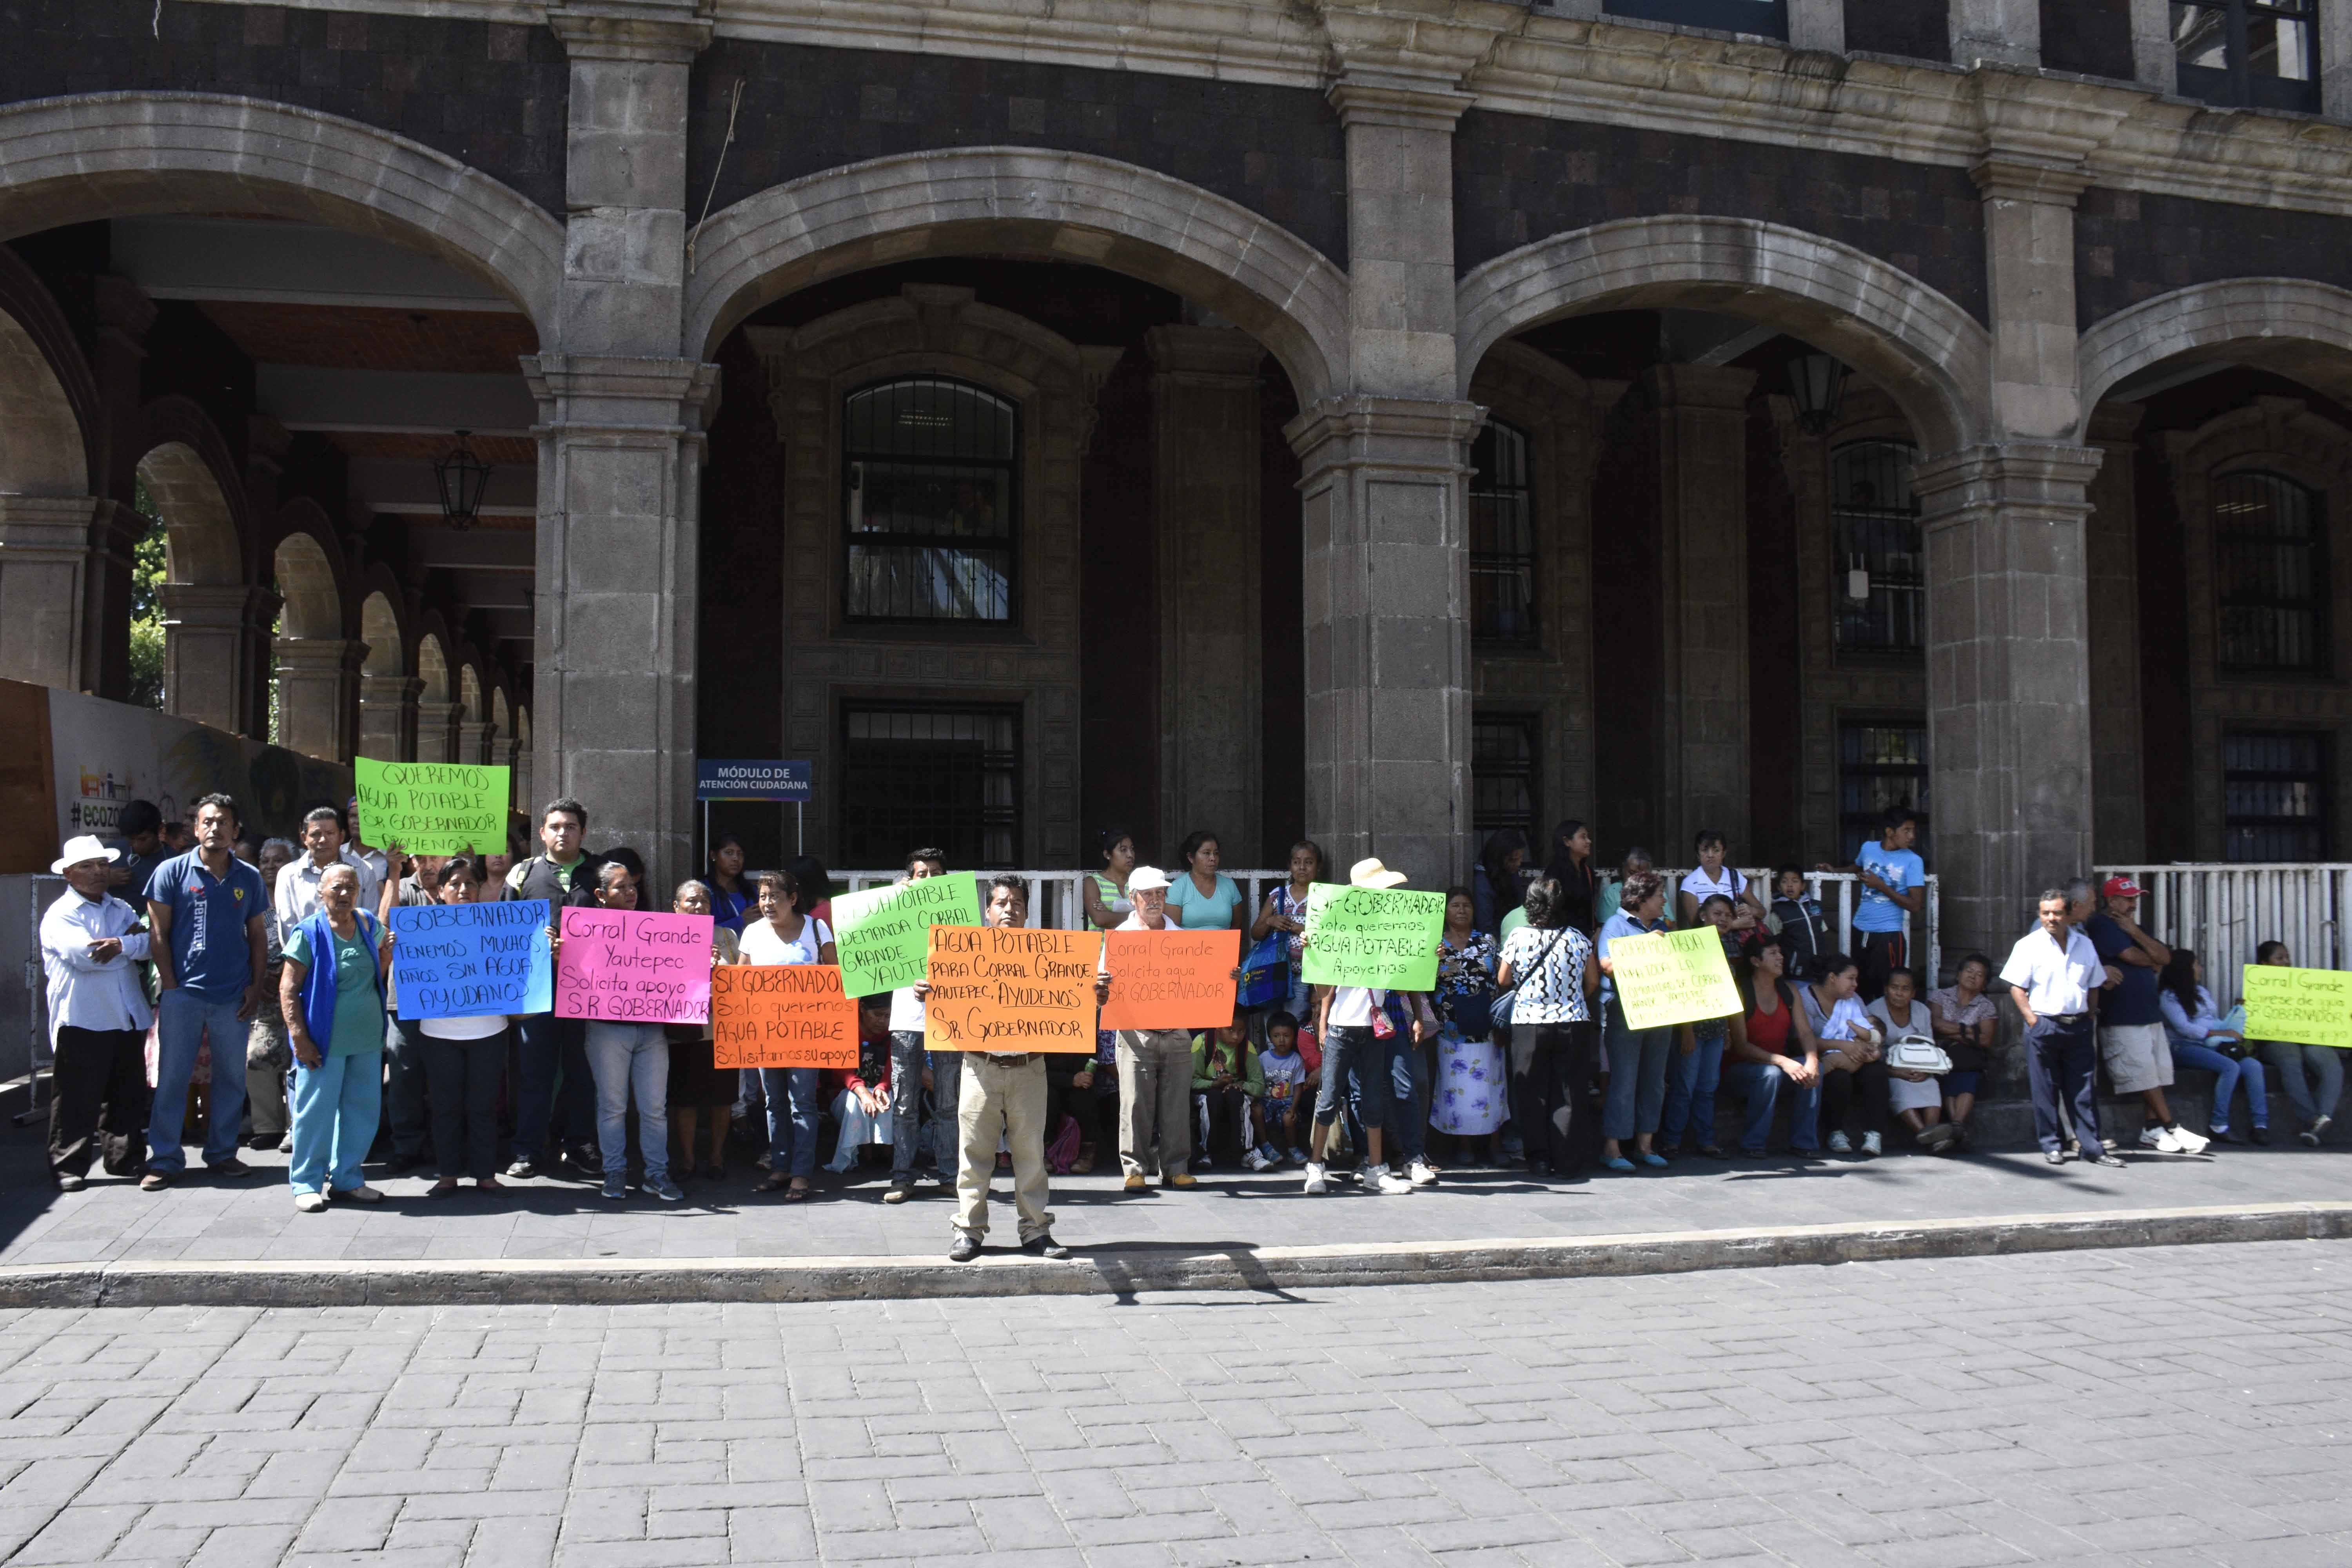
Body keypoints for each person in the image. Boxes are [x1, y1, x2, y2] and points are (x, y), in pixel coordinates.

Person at [946, 875, 1076, 1261]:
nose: (1009, 910)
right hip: (980, 1065)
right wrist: (928, 992)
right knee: (973, 1152)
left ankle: (1036, 1231)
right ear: (988, 911)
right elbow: (945, 998)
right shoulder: (962, 954)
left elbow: (1070, 1002)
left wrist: (1093, 995)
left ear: (1027, 911)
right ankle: (968, 1231)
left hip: (1029, 1067)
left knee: (1031, 1155)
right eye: (1001, 903)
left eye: (1017, 904)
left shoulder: (1048, 957)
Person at [142, 793, 268, 1191]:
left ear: (235, 830)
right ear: (196, 828)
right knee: (173, 1078)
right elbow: (158, 933)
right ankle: (165, 1159)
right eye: (208, 821)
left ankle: (223, 1152)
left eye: (223, 822)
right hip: (184, 995)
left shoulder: (249, 877)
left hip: (233, 995)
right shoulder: (170, 872)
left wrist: (255, 986)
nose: (215, 828)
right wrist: (171, 985)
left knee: (231, 1078)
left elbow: (258, 935)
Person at [1302, 858, 1434, 1198]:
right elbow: (1323, 990)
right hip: (1342, 1028)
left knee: (1373, 1099)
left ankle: (1376, 1169)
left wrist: (1426, 956)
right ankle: (1315, 1167)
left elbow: (1402, 988)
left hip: (1374, 1030)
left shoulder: (1390, 931)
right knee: (1330, 1097)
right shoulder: (1340, 931)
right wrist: (1314, 953)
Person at [40, 835, 154, 1190]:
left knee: (126, 1093)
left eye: (103, 865)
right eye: (87, 866)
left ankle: (125, 1159)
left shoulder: (120, 907)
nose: (98, 872)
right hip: (82, 1017)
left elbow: (151, 945)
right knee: (76, 1096)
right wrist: (129, 944)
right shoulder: (61, 914)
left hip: (125, 1014)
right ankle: (68, 1166)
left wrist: (121, 944)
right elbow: (88, 957)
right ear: (69, 874)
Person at [279, 862, 391, 1212]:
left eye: (350, 888)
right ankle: (306, 1183)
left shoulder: (368, 924)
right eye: (336, 888)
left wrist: (387, 953)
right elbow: (288, 989)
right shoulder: (308, 933)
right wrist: (299, 1038)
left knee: (362, 1112)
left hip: (367, 1039)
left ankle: (347, 1179)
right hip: (323, 1043)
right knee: (315, 1113)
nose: (344, 894)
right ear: (321, 892)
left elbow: (376, 971)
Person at [503, 798, 604, 1180]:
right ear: (542, 832)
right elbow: (502, 933)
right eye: (556, 827)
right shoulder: (522, 874)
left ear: (584, 832)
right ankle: (528, 1149)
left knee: (583, 1072)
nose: (563, 833)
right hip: (536, 993)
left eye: (571, 827)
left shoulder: (603, 873)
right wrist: (534, 943)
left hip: (590, 993)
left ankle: (579, 1144)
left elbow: (626, 924)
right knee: (534, 1073)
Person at [575, 859, 682, 1202]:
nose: (630, 892)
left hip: (651, 1031)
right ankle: (615, 1172)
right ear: (601, 895)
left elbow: (675, 972)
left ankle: (657, 1174)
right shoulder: (585, 931)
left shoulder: (655, 929)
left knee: (654, 1108)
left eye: (632, 886)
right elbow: (577, 975)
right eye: (620, 887)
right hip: (607, 1031)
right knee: (613, 1107)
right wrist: (562, 955)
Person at [404, 857, 511, 1196]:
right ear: (440, 891)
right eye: (455, 884)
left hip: (489, 1031)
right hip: (438, 1034)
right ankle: (448, 1174)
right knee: (445, 1107)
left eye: (470, 884)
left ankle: (485, 1174)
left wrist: (541, 941)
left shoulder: (499, 926)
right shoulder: (421, 929)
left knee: (484, 1107)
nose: (463, 890)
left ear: (480, 889)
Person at [2082, 875, 2209, 1154]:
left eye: (2135, 899)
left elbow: (2166, 958)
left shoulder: (2135, 927)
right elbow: (2133, 956)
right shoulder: (2101, 925)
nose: (2133, 904)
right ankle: (2172, 1126)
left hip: (2149, 1014)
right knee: (2144, 1075)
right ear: (2112, 900)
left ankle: (2152, 1129)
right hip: (2123, 1015)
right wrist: (2149, 955)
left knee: (2158, 1074)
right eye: (2128, 899)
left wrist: (2136, 933)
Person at [2003, 887, 2125, 1168]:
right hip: (2044, 1024)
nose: (2051, 919)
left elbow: (2094, 984)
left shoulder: (2085, 945)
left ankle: (2092, 1148)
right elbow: (2016, 987)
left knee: (2083, 1091)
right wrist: (2032, 1020)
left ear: (2068, 914)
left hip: (2079, 1026)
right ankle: (2052, 1145)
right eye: (2046, 913)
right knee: (2045, 1090)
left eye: (2057, 913)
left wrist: (2091, 1015)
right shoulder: (2028, 945)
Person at [739, 867, 834, 1200]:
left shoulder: (817, 928)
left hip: (807, 1033)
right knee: (774, 1102)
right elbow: (741, 981)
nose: (767, 903)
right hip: (766, 1033)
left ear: (793, 899)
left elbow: (835, 977)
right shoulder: (752, 932)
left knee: (803, 1103)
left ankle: (801, 1174)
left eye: (775, 896)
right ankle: (780, 1168)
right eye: (763, 896)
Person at [1495, 876, 1599, 1177]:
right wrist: (1571, 999)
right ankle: (1567, 1161)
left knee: (1532, 1093)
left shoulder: (1518, 937)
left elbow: (1503, 979)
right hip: (1573, 1021)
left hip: (1529, 1023)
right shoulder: (1578, 938)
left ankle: (1539, 1160)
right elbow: (1592, 982)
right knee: (1569, 1093)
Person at [1107, 865, 1201, 1191]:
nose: (1155, 900)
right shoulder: (1119, 939)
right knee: (1135, 1104)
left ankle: (1176, 1168)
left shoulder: (1182, 938)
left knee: (1177, 1104)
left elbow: (1199, 982)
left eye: (1160, 893)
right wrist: (1102, 984)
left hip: (1176, 1031)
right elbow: (1103, 986)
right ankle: (1134, 1170)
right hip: (1135, 1033)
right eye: (1147, 894)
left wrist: (1224, 975)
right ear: (1133, 898)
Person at [883, 848, 955, 1203]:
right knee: (904, 1104)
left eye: (936, 873)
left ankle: (951, 1176)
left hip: (949, 1020)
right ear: (909, 879)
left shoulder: (958, 915)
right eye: (921, 873)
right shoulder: (894, 911)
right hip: (906, 1021)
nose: (928, 879)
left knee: (950, 1104)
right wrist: (895, 902)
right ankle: (902, 1178)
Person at [1596, 869, 1674, 1171]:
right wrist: (1648, 946)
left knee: (1654, 1081)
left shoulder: (1662, 926)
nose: (1664, 901)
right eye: (1660, 896)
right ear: (1641, 900)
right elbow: (1607, 966)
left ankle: (1645, 1146)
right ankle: (1612, 1149)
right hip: (1624, 1013)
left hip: (1661, 1010)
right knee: (1624, 1082)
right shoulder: (1615, 925)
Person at [1659, 894, 1745, 1159]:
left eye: (1728, 916)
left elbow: (1725, 991)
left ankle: (1706, 1141)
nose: (1724, 920)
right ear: (1704, 916)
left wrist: (1727, 1029)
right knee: (1684, 1088)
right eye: (1718, 914)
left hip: (1716, 1030)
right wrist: (1686, 1030)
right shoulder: (1689, 944)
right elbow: (1680, 987)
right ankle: (1671, 1142)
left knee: (1708, 1088)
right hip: (1693, 1030)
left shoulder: (1725, 947)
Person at [1720, 936, 1823, 1157]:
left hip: (1778, 1067)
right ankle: (1753, 1144)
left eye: (1781, 953)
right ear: (1756, 961)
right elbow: (1741, 1046)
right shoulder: (1741, 991)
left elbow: (1806, 1032)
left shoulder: (1789, 990)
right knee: (1770, 1074)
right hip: (1740, 1071)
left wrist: (1813, 1060)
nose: (1781, 958)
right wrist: (1783, 1061)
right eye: (1773, 953)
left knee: (1813, 1068)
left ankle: (1804, 1143)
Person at [666, 880, 741, 1180]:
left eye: (705, 902)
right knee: (685, 1099)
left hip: (721, 1030)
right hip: (683, 1031)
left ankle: (717, 1158)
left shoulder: (727, 936)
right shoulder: (664, 937)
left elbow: (740, 979)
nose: (699, 907)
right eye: (691, 901)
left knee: (722, 1098)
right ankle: (687, 1160)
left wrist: (716, 969)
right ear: (676, 907)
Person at [2159, 947, 2269, 1145]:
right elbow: (2184, 1028)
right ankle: (2219, 1124)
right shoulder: (2169, 997)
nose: (2200, 969)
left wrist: (2235, 1020)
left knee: (2253, 1066)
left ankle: (2260, 1125)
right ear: (2184, 969)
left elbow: (2215, 1021)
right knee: (2230, 1067)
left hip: (2212, 1044)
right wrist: (2218, 1034)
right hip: (2184, 1046)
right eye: (2196, 965)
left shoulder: (2201, 992)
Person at [1822, 806, 1925, 1002]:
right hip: (1861, 929)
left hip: (1889, 935)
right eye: (1906, 831)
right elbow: (1857, 868)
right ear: (1889, 832)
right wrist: (1835, 871)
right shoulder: (1868, 848)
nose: (1912, 836)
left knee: (1887, 991)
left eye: (1913, 831)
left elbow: (1915, 905)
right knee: (1859, 989)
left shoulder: (1914, 861)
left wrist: (1881, 886)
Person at [1433, 887, 1505, 1164]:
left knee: (1491, 1085)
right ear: (1445, 912)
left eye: (1466, 905)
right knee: (1457, 1088)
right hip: (1452, 1027)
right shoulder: (1437, 945)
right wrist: (1433, 960)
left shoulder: (1487, 942)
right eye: (1455, 906)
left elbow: (1501, 980)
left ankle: (1495, 1146)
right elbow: (1425, 983)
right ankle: (1464, 1146)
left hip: (1486, 1025)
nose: (1461, 910)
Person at [2252, 941, 2342, 1145]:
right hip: (2276, 1040)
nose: (2287, 962)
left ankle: (2323, 1118)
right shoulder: (2256, 986)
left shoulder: (2303, 983)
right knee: (2291, 1060)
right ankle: (2311, 1119)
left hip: (2307, 1038)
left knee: (2331, 1064)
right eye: (2280, 958)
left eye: (2287, 957)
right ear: (2265, 963)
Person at [244, 837, 299, 1153]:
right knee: (258, 1057)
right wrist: (257, 976)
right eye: (265, 861)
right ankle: (267, 1126)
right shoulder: (250, 901)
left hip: (297, 984)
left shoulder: (299, 894)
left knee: (298, 1057)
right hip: (261, 990)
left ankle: (296, 1126)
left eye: (278, 861)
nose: (270, 866)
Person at [1807, 953, 1889, 1157]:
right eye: (1851, 979)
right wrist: (1841, 1045)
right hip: (1822, 1055)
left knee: (1877, 1072)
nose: (1855, 984)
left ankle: (1875, 1134)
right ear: (1833, 978)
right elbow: (1800, 1040)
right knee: (1839, 1077)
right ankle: (1835, 1132)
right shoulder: (1806, 999)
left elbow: (1869, 1031)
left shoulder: (1853, 1000)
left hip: (1857, 1054)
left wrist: (1868, 1050)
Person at [1869, 967, 1954, 1153]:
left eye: (1905, 989)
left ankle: (1931, 1135)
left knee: (1931, 1085)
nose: (1899, 993)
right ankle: (1929, 1138)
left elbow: (1930, 1046)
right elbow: (1871, 1051)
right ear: (1886, 989)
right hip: (1889, 1068)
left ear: (1914, 993)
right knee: (1900, 1088)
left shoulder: (1922, 1011)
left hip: (1921, 1067)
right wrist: (1896, 1072)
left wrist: (1926, 1072)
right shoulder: (1874, 1010)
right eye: (1894, 988)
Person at [273, 804, 383, 936]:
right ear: (304, 838)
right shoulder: (288, 875)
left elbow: (371, 919)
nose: (323, 840)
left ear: (342, 836)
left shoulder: (363, 870)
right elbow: (288, 928)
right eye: (315, 835)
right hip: (307, 949)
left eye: (330, 833)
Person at [1927, 953, 2000, 1145]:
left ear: (1984, 984)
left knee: (1967, 1070)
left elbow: (1985, 1040)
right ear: (1959, 974)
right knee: (1951, 1065)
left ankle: (1955, 1127)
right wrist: (1968, 1031)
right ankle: (1958, 1128)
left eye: (1980, 975)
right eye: (1969, 971)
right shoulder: (1940, 996)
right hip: (1941, 1053)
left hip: (1969, 1058)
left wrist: (1950, 1032)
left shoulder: (1986, 1006)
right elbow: (1935, 1025)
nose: (1973, 976)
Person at [1250, 838, 1325, 1026]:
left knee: (1293, 1025)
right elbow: (1256, 933)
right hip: (1274, 973)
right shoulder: (1278, 895)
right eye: (1297, 862)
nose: (1302, 867)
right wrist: (1270, 921)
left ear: (1318, 867)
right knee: (1272, 1026)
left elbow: (1330, 938)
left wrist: (1300, 929)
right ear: (1290, 866)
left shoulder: (1324, 898)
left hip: (1304, 976)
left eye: (1309, 862)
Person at [827, 996, 896, 1175]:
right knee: (854, 1100)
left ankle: (888, 1152)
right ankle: (853, 1155)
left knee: (888, 1099)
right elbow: (843, 1071)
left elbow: (892, 1067)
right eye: (878, 1015)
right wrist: (864, 1093)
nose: (883, 1021)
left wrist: (882, 1087)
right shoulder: (845, 1030)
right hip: (845, 1094)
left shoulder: (892, 1034)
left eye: (888, 1016)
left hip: (881, 1088)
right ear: (862, 1009)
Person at [1191, 1011, 1266, 1170]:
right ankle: (1206, 1151)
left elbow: (1259, 1086)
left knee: (1236, 1096)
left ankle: (1248, 1151)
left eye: (1241, 1031)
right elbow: (1192, 1082)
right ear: (1218, 1027)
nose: (1236, 1036)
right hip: (1208, 1092)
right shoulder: (1202, 1043)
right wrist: (1216, 1084)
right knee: (1213, 1098)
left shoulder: (1247, 1048)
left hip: (1235, 1093)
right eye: (1230, 1030)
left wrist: (1241, 1085)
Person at [1677, 829, 1763, 933]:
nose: (1710, 855)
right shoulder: (1690, 883)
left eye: (1716, 850)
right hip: (1710, 941)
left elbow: (1762, 912)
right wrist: (1733, 925)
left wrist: (1752, 911)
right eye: (1705, 850)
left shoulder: (1735, 877)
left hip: (1739, 941)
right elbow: (1696, 927)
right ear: (1698, 855)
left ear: (1724, 854)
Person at [1258, 1011, 1313, 1165]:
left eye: (1287, 1036)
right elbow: (1258, 1083)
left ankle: (1293, 1149)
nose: (1281, 1040)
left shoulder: (1297, 1060)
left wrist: (1294, 1108)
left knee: (1289, 1118)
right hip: (1267, 1100)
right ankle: (1265, 1146)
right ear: (1270, 1037)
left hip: (1287, 1101)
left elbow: (1298, 1086)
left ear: (1294, 1037)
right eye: (1276, 1036)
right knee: (1256, 1111)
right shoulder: (1263, 1058)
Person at [1166, 830, 1248, 933]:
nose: (1213, 858)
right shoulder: (1178, 888)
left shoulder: (1229, 885)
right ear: (1191, 858)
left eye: (1216, 853)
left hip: (1223, 943)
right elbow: (1172, 931)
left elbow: (1236, 926)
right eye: (1207, 853)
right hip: (1189, 944)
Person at [1539, 820, 1601, 936]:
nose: (1589, 841)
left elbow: (1589, 910)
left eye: (1588, 837)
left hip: (1585, 938)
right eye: (1583, 837)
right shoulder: (1554, 873)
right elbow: (1549, 909)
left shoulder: (1588, 872)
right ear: (1567, 841)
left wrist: (1597, 929)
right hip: (1561, 938)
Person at [1767, 866, 1827, 976]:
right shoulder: (1778, 912)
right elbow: (1774, 941)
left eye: (1795, 881)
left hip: (1820, 963)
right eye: (1785, 882)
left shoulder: (1815, 906)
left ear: (1803, 886)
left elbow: (1822, 932)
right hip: (1795, 967)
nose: (1790, 885)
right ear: (1779, 887)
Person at [109, 799, 168, 902]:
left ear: (161, 830)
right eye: (131, 839)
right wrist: (104, 879)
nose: (136, 845)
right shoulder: (110, 854)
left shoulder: (172, 861)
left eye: (143, 839)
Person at [1472, 828, 1528, 936]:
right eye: (1513, 860)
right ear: (1499, 858)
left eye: (1521, 858)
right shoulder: (1483, 883)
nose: (1518, 864)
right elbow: (1485, 925)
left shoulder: (1510, 873)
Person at [1083, 827, 1138, 931]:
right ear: (1108, 855)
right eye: (1124, 850)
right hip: (1103, 942)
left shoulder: (1138, 881)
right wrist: (1138, 916)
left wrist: (1109, 914)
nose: (1130, 855)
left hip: (1134, 942)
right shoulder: (1094, 882)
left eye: (1132, 849)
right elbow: (1100, 920)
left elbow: (1152, 917)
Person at [1593, 847, 1657, 930]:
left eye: (1643, 876)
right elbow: (1605, 928)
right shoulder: (1613, 893)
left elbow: (1670, 924)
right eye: (1632, 873)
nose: (1636, 879)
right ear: (1622, 869)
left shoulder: (1658, 892)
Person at [704, 835, 755, 933]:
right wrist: (741, 921)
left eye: (740, 854)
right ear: (713, 856)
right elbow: (699, 933)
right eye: (729, 853)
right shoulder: (702, 891)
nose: (736, 858)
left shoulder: (751, 891)